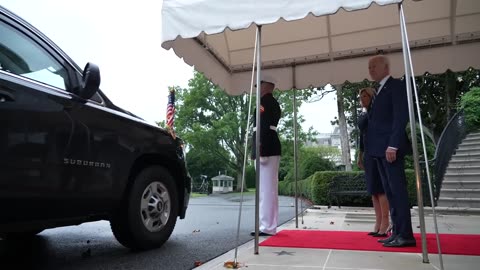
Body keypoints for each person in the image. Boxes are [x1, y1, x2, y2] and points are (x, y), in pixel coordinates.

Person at [366, 55, 415, 247]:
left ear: (385, 67)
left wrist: (393, 144)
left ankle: (406, 234)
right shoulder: (380, 89)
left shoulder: (395, 86)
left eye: (374, 66)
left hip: (390, 149)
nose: (370, 69)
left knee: (397, 191)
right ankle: (397, 231)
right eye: (369, 67)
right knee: (390, 192)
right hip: (379, 150)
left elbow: (399, 117)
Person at [357, 87, 391, 238]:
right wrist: (360, 156)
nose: (362, 99)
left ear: (372, 96)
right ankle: (378, 223)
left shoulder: (377, 112)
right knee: (373, 190)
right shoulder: (365, 114)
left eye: (365, 96)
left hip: (378, 151)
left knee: (380, 188)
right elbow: (362, 137)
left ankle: (386, 222)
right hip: (368, 153)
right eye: (360, 97)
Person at [250, 75, 282, 237]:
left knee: (266, 190)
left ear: (267, 85)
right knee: (267, 189)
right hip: (268, 146)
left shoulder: (265, 102)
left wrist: (259, 149)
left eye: (259, 85)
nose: (257, 88)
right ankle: (268, 224)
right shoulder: (270, 102)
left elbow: (262, 127)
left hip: (266, 147)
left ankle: (267, 226)